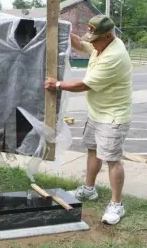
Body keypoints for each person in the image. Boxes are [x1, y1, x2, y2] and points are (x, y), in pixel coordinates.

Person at [45, 14, 132, 225]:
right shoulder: (100, 44)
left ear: (109, 35)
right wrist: (63, 29)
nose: (91, 42)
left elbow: (84, 85)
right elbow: (81, 44)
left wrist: (57, 85)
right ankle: (89, 189)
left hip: (113, 116)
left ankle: (116, 204)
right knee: (93, 150)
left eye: (95, 39)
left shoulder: (114, 56)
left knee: (112, 158)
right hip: (97, 112)